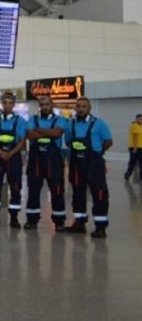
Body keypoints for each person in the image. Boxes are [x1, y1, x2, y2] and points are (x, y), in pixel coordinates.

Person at [65, 97, 113, 238]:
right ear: (75, 108)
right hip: (76, 165)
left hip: (94, 165)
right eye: (78, 106)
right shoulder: (70, 124)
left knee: (99, 195)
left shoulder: (99, 124)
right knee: (78, 194)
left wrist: (98, 151)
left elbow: (108, 141)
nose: (81, 108)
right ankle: (79, 223)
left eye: (84, 106)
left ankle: (100, 226)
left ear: (89, 108)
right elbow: (68, 141)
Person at [24, 95, 68, 231]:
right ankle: (32, 220)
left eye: (47, 104)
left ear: (52, 105)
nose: (44, 107)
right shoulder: (32, 119)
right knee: (33, 191)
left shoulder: (60, 119)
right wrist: (49, 133)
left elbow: (57, 133)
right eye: (42, 105)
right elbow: (29, 135)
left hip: (53, 161)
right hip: (35, 161)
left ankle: (59, 221)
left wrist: (38, 130)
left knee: (57, 191)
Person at [0, 92, 28, 228]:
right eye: (5, 102)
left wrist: (10, 153)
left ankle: (14, 218)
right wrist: (1, 152)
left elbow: (22, 141)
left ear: (14, 104)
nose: (7, 105)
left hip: (13, 158)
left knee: (15, 188)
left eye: (10, 103)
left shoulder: (20, 121)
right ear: (2, 104)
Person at [125, 114, 142, 181]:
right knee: (132, 162)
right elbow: (135, 137)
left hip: (140, 147)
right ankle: (127, 174)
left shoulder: (141, 126)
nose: (141, 120)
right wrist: (135, 148)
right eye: (139, 119)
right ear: (136, 119)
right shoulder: (134, 126)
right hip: (134, 147)